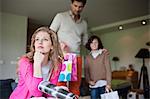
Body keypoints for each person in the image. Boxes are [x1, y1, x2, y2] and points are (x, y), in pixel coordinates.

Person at [9, 27, 64, 99]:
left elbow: (49, 93)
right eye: (37, 39)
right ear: (34, 44)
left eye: (45, 39)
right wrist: (37, 64)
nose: (40, 42)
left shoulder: (56, 64)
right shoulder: (25, 62)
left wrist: (57, 91)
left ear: (52, 46)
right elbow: (36, 93)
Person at [50, 0, 88, 96]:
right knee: (60, 84)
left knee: (75, 86)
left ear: (83, 7)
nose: (77, 9)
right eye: (75, 6)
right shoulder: (60, 17)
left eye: (80, 7)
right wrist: (58, 45)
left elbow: (86, 43)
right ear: (71, 4)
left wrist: (99, 50)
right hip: (62, 55)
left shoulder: (84, 24)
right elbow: (50, 33)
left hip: (77, 57)